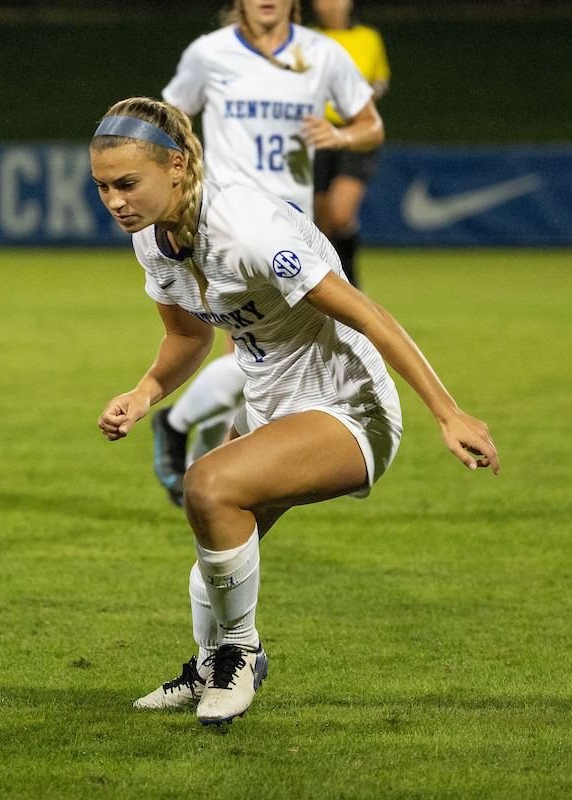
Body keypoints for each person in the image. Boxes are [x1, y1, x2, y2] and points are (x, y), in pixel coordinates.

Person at [90, 97, 497, 724]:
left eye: (126, 183)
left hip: (348, 406)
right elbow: (188, 337)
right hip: (269, 403)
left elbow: (368, 314)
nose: (115, 200)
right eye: (102, 187)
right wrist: (143, 393)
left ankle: (241, 657)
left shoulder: (245, 228)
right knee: (210, 561)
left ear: (175, 165)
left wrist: (449, 413)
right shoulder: (154, 239)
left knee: (209, 487)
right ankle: (211, 666)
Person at [150, 0, 384, 506]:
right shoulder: (209, 53)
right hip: (225, 228)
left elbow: (372, 125)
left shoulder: (322, 53)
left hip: (288, 230)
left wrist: (341, 134)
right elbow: (167, 123)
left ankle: (190, 443)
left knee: (260, 359)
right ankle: (186, 438)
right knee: (257, 356)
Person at [312, 0, 390, 289]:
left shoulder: (368, 37)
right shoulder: (306, 40)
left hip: (355, 132)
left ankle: (351, 281)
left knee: (340, 213)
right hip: (316, 133)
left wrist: (354, 96)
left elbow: (380, 80)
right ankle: (333, 288)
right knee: (322, 224)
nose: (331, 5)